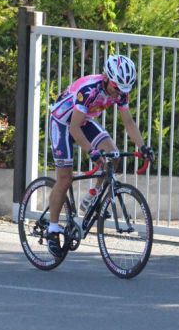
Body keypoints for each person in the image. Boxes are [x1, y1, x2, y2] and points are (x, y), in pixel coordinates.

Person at [47, 54, 154, 257]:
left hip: (83, 120)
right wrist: (92, 151)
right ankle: (52, 229)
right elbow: (74, 128)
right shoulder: (89, 90)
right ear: (106, 78)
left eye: (125, 89)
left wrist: (143, 147)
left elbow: (128, 122)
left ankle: (91, 196)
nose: (120, 93)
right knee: (65, 179)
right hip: (62, 122)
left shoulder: (120, 91)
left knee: (113, 155)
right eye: (117, 88)